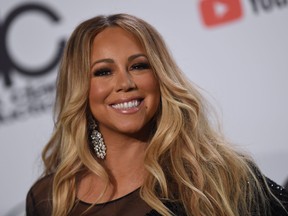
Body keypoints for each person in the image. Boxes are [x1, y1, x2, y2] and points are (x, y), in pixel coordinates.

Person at [26, 13, 288, 216]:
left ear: (160, 77)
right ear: (80, 87)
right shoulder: (50, 198)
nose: (125, 83)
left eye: (139, 66)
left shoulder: (217, 176)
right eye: (103, 71)